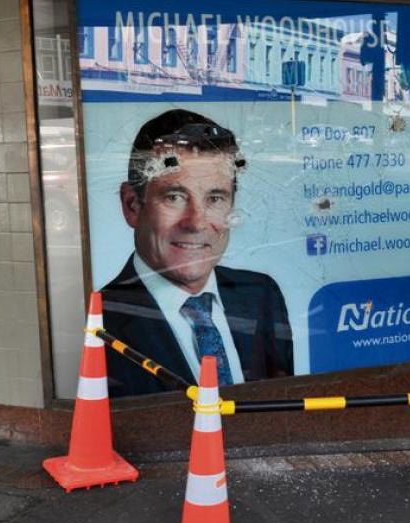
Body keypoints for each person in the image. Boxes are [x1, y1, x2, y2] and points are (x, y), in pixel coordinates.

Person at [101, 109, 293, 397]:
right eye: (174, 197)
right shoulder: (100, 322)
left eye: (215, 198)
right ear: (132, 205)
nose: (196, 222)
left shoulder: (261, 295)